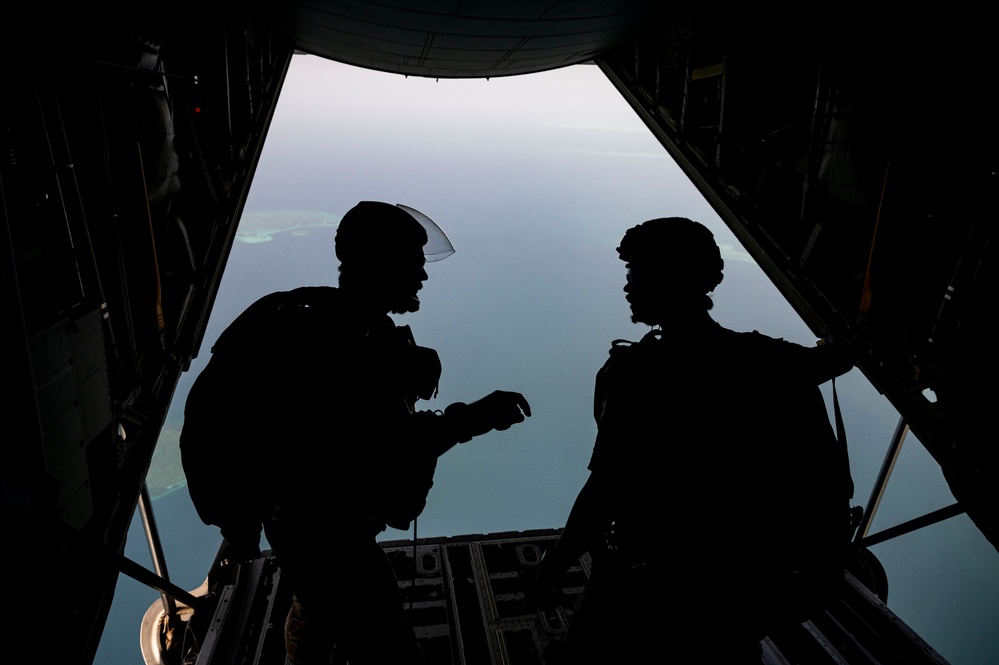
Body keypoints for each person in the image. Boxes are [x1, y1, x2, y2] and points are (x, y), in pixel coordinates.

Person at [181, 201, 531, 665]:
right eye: (413, 263)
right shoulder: (331, 343)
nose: (422, 276)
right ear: (380, 264)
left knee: (314, 605)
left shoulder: (324, 317)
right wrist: (474, 418)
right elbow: (382, 449)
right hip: (325, 533)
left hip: (303, 525)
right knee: (385, 645)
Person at [531, 217, 853, 663]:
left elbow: (608, 487)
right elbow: (836, 359)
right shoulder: (765, 359)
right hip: (738, 590)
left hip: (653, 583)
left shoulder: (637, 373)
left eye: (636, 274)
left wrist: (554, 565)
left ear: (671, 278)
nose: (628, 286)